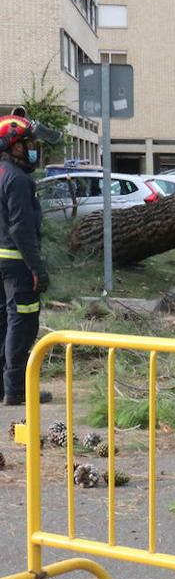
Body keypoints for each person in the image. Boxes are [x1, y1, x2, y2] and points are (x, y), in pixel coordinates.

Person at [0, 114, 60, 405]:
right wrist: (37, 268)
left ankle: (5, 387)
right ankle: (16, 390)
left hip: (3, 264)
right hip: (17, 263)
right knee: (22, 324)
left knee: (4, 323)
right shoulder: (18, 179)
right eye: (27, 144)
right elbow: (21, 227)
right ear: (12, 145)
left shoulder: (1, 173)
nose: (33, 149)